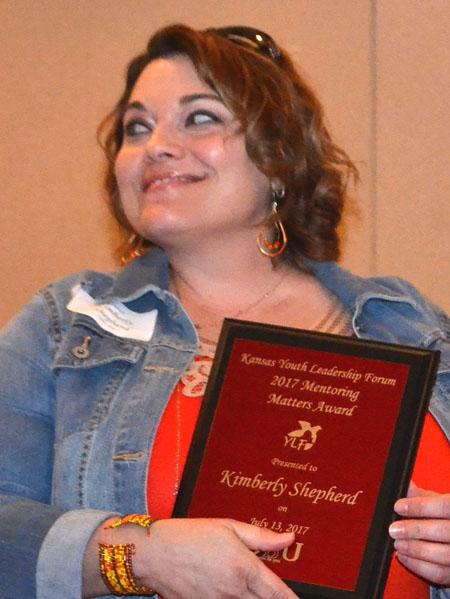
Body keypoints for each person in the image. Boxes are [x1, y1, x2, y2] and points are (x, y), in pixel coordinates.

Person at [0, 23, 448, 599]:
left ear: (281, 158)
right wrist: (138, 555)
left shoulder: (408, 320)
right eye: (137, 127)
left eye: (200, 117)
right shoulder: (67, 324)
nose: (156, 145)